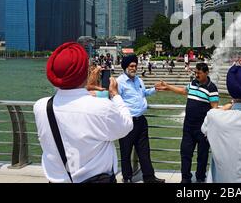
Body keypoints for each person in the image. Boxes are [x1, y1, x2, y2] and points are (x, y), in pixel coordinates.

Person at [33, 42, 133, 183]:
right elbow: (126, 126)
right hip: (97, 179)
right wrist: (116, 95)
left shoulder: (41, 107)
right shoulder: (101, 107)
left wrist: (86, 88)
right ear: (84, 72)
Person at [156, 63, 219, 183]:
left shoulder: (212, 88)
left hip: (203, 129)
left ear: (206, 73)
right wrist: (168, 87)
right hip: (188, 126)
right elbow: (183, 91)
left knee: (202, 155)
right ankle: (185, 178)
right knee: (185, 153)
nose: (196, 75)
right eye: (195, 72)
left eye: (199, 73)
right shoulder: (193, 83)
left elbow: (214, 109)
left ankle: (200, 178)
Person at [116, 54, 165, 183]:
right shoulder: (119, 82)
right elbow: (115, 100)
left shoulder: (138, 80)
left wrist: (154, 89)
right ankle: (127, 178)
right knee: (126, 152)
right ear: (125, 67)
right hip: (127, 122)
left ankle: (149, 177)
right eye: (131, 66)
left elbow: (143, 93)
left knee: (144, 151)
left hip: (141, 121)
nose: (134, 68)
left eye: (135, 66)